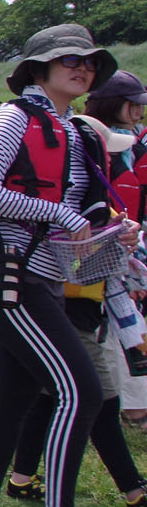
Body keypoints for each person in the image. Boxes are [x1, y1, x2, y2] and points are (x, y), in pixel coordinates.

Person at [0, 24, 138, 507]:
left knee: (15, 400)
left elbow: (81, 207)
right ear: (38, 69)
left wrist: (111, 229)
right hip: (8, 279)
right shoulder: (14, 117)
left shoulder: (73, 130)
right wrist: (60, 215)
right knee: (79, 391)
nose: (81, 68)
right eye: (68, 60)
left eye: (88, 62)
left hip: (43, 278)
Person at [84, 69, 147, 429]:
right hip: (102, 245)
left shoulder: (128, 142)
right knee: (112, 329)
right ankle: (127, 408)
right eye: (131, 104)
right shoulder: (97, 139)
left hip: (126, 241)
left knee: (125, 327)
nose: (138, 112)